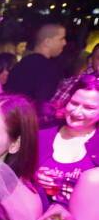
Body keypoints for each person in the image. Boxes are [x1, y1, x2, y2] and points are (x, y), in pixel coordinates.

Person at [37, 75, 99, 205]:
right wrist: (32, 177)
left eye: (89, 108)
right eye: (74, 103)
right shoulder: (41, 136)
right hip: (34, 217)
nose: (76, 112)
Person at [6, 23, 67, 104]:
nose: (64, 43)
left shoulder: (22, 63)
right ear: (47, 42)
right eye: (61, 39)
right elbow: (44, 102)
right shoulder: (48, 69)